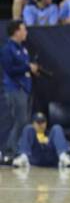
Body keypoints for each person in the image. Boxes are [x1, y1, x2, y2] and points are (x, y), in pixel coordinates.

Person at [1, 21, 39, 158]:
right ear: (16, 32)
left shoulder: (23, 49)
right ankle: (10, 152)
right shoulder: (7, 49)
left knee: (23, 121)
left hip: (25, 88)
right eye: (24, 29)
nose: (26, 32)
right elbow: (9, 70)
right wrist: (28, 68)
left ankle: (18, 151)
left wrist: (31, 69)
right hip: (15, 89)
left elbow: (24, 67)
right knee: (20, 121)